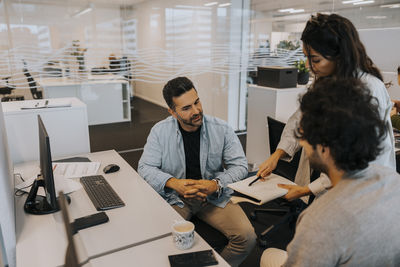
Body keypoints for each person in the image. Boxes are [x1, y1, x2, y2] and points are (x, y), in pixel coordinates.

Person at [260, 77, 400, 267]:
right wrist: (278, 154)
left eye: (304, 135)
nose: (301, 142)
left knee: (268, 255)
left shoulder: (319, 220)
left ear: (324, 147)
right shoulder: (394, 182)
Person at [257, 13, 395, 201]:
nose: (309, 66)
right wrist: (277, 154)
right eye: (307, 58)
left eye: (315, 59)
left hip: (360, 191)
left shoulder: (369, 90)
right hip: (328, 182)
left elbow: (353, 159)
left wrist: (309, 189)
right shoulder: (327, 81)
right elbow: (299, 119)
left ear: (340, 56)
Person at [138, 77, 256, 267]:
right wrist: (174, 183)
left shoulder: (222, 129)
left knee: (247, 237)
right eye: (186, 108)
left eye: (197, 102)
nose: (196, 111)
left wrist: (216, 184)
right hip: (177, 198)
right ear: (172, 112)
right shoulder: (159, 132)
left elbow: (240, 166)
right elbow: (144, 167)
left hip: (213, 197)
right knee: (158, 241)